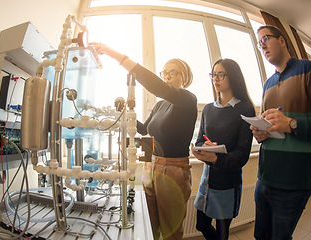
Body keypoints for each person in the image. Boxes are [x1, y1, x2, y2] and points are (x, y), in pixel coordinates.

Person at [91, 42, 198, 240]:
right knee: (150, 226)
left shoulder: (188, 100)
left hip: (173, 171)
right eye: (164, 72)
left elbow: (156, 87)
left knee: (170, 232)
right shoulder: (160, 106)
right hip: (151, 167)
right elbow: (145, 129)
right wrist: (123, 114)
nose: (166, 76)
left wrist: (117, 56)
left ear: (185, 77)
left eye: (173, 72)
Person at [251, 25, 311, 240]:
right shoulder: (267, 83)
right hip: (264, 177)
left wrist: (292, 124)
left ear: (283, 40)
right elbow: (264, 125)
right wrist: (259, 133)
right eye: (259, 43)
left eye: (265, 38)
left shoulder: (307, 69)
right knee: (261, 236)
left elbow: (289, 124)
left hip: (293, 181)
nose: (262, 45)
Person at [191, 59, 255, 240]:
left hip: (228, 184)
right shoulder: (208, 109)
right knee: (201, 225)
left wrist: (215, 158)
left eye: (221, 74)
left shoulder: (245, 108)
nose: (215, 79)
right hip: (207, 180)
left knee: (222, 235)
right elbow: (200, 140)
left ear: (233, 76)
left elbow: (242, 154)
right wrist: (200, 150)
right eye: (213, 74)